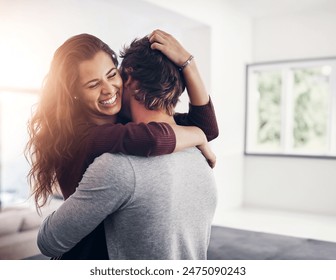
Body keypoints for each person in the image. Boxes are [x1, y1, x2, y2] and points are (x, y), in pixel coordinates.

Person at [26, 30, 218, 259]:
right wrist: (197, 135)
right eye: (93, 84)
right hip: (87, 252)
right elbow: (155, 138)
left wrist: (188, 64)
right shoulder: (85, 137)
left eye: (111, 74)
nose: (108, 89)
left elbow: (208, 126)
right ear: (74, 93)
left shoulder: (125, 123)